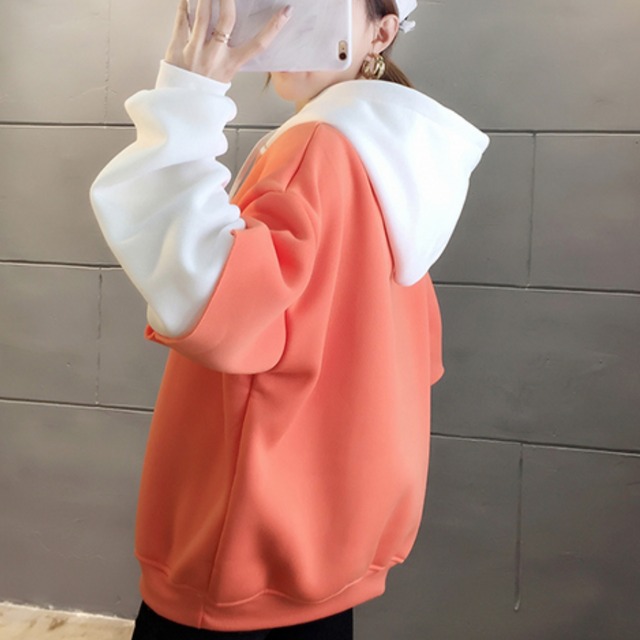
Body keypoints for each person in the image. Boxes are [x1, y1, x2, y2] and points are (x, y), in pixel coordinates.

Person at [89, 0, 490, 637]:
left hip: (244, 552)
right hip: (327, 544)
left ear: (381, 33)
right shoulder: (398, 159)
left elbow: (211, 297)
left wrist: (188, 99)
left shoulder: (317, 147)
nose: (289, 20)